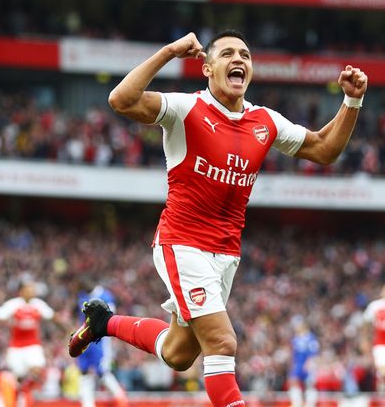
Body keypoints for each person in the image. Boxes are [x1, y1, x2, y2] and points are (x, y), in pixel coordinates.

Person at [68, 29, 368, 407]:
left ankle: (103, 324)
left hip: (226, 253)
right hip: (182, 242)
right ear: (208, 68)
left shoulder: (266, 122)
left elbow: (324, 149)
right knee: (223, 342)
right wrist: (170, 52)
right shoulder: (185, 109)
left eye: (245, 54)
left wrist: (351, 102)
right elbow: (121, 100)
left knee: (180, 354)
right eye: (227, 54)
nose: (238, 59)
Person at [0, 280, 67, 407]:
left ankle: (26, 393)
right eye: (30, 288)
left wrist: (66, 329)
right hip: (16, 348)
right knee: (17, 378)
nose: (33, 291)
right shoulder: (13, 305)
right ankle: (20, 396)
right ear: (22, 291)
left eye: (33, 289)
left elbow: (53, 317)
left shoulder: (38, 305)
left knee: (37, 370)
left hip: (33, 346)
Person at [75, 281, 129, 407]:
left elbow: (110, 316)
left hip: (100, 340)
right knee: (84, 371)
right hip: (85, 338)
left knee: (102, 372)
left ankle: (121, 399)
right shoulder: (82, 296)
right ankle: (87, 404)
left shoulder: (105, 296)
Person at [288, 317, 320, 407]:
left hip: (307, 364)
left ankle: (310, 404)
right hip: (298, 364)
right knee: (293, 382)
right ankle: (297, 403)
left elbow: (314, 353)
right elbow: (293, 354)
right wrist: (293, 364)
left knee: (309, 384)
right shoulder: (295, 338)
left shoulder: (311, 338)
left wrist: (309, 363)